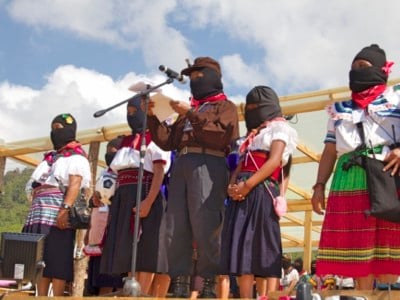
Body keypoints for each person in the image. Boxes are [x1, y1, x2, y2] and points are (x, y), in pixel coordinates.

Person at [146, 56, 240, 297]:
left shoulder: (225, 106)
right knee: (176, 225)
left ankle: (209, 282)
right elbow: (168, 142)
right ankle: (180, 281)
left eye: (199, 75)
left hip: (210, 162)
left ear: (213, 76)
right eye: (191, 77)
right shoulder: (190, 109)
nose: (194, 80)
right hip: (182, 164)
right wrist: (152, 116)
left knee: (206, 222)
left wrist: (191, 114)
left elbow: (219, 136)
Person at [311, 44, 400, 290]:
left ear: (382, 70)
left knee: (389, 249)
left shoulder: (396, 98)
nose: (355, 71)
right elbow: (330, 150)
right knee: (358, 251)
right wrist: (319, 186)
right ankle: (363, 295)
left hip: (386, 175)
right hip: (347, 177)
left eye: (362, 66)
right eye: (352, 68)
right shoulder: (338, 110)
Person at [221, 85, 298, 298]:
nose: (253, 110)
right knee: (242, 247)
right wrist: (233, 184)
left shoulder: (280, 128)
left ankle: (270, 296)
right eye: (250, 106)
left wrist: (247, 185)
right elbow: (240, 164)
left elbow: (274, 160)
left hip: (263, 189)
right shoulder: (251, 135)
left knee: (265, 245)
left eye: (258, 106)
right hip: (241, 193)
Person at [100, 95, 171, 296]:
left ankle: (144, 293)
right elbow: (113, 174)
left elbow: (159, 171)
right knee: (128, 248)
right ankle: (131, 291)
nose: (131, 116)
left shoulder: (157, 139)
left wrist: (148, 202)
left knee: (145, 249)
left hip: (145, 193)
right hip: (123, 197)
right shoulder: (125, 142)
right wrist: (102, 195)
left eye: (135, 112)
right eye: (128, 113)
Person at [23, 113, 91, 296]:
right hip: (39, 214)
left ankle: (58, 296)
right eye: (53, 128)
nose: (55, 132)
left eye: (59, 128)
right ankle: (41, 296)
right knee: (39, 259)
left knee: (57, 259)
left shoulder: (76, 157)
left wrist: (64, 211)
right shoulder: (49, 159)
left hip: (57, 214)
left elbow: (75, 184)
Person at [84, 137, 124, 295]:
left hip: (117, 235)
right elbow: (96, 202)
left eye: (113, 153)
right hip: (99, 235)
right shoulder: (103, 174)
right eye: (107, 153)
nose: (109, 156)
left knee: (119, 282)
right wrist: (88, 231)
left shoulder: (128, 175)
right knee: (102, 282)